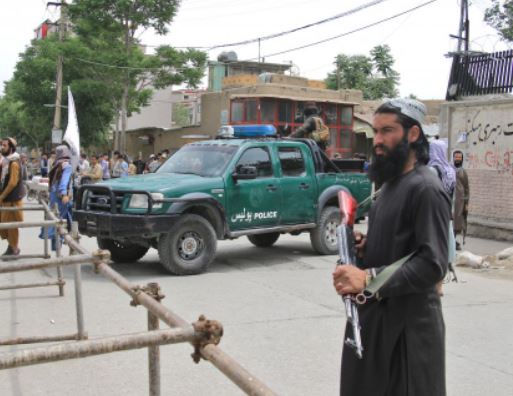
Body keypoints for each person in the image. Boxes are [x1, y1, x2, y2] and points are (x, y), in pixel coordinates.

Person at [332, 98, 450, 396]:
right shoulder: (390, 186)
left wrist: (369, 278)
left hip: (408, 333)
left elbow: (431, 262)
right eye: (376, 131)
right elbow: (401, 248)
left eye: (388, 131)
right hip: (378, 321)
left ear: (413, 134)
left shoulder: (425, 188)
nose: (379, 140)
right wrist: (365, 249)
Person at [0, 137, 25, 256]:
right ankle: (12, 247)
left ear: (11, 147)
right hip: (6, 199)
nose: (2, 147)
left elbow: (12, 183)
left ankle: (14, 249)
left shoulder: (14, 162)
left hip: (12, 200)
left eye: (4, 145)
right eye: (1, 145)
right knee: (5, 226)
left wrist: (2, 196)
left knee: (11, 226)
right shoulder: (6, 161)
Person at [47, 145, 73, 249]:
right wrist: (64, 194)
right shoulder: (67, 165)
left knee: (56, 220)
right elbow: (64, 182)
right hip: (61, 198)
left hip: (54, 197)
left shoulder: (56, 164)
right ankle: (60, 245)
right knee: (62, 221)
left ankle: (56, 246)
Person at [453, 150, 469, 250]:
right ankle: (451, 242)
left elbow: (466, 188)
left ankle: (453, 241)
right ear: (453, 158)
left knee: (458, 222)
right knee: (451, 221)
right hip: (451, 201)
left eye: (460, 157)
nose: (458, 159)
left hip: (460, 201)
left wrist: (466, 202)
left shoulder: (463, 172)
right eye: (456, 157)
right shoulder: (449, 169)